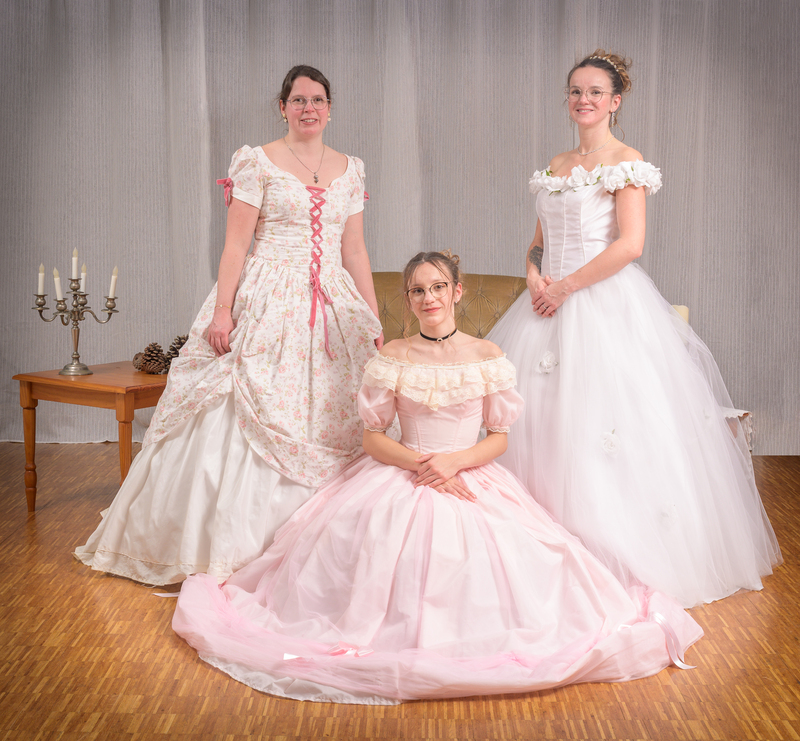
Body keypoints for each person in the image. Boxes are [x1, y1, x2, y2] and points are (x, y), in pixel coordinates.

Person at [171, 251, 702, 704]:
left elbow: (499, 437)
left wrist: (455, 462)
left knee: (512, 555)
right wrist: (421, 465)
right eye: (418, 290)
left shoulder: (488, 355)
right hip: (400, 470)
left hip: (467, 470)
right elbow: (372, 438)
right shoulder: (393, 357)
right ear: (409, 299)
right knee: (366, 543)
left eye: (438, 287)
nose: (429, 298)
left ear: (457, 292)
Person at [487, 50, 781, 608]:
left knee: (600, 428)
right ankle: (540, 547)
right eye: (576, 91)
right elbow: (539, 238)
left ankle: (605, 552)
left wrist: (566, 287)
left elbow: (630, 244)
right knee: (538, 422)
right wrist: (531, 272)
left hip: (599, 302)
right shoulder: (555, 162)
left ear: (615, 102)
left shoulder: (627, 162)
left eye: (596, 92)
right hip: (544, 303)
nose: (584, 100)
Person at [75, 65, 383, 585]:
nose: (309, 108)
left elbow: (353, 249)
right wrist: (224, 310)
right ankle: (233, 547)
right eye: (299, 100)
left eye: (318, 100)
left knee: (341, 410)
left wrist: (372, 317)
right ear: (282, 107)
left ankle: (325, 546)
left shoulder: (351, 169)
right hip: (266, 297)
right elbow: (236, 244)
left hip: (332, 303)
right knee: (242, 404)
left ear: (331, 108)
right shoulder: (256, 162)